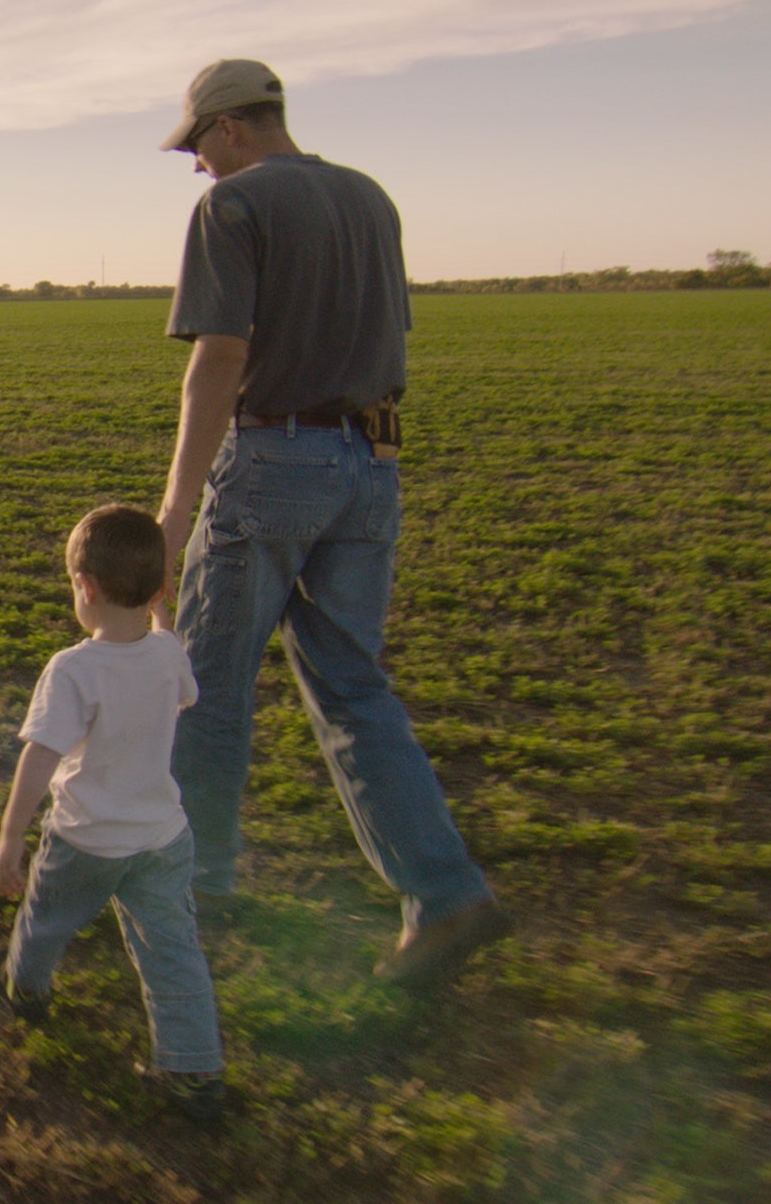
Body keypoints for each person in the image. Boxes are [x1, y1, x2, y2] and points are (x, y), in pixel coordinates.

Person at [151, 58, 510, 988]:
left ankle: (194, 881)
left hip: (276, 459)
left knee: (208, 683)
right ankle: (445, 892)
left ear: (230, 126)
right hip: (373, 461)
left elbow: (220, 359)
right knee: (353, 686)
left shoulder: (232, 209)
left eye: (197, 144)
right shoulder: (369, 197)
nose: (196, 166)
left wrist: (174, 509)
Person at [0, 503, 226, 1122]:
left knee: (45, 920)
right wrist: (162, 613)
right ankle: (194, 1065)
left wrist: (11, 835)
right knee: (173, 948)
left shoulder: (74, 669)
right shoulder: (169, 653)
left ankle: (24, 987)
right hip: (163, 839)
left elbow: (40, 758)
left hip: (86, 841)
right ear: (157, 591)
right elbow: (181, 686)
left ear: (84, 589)